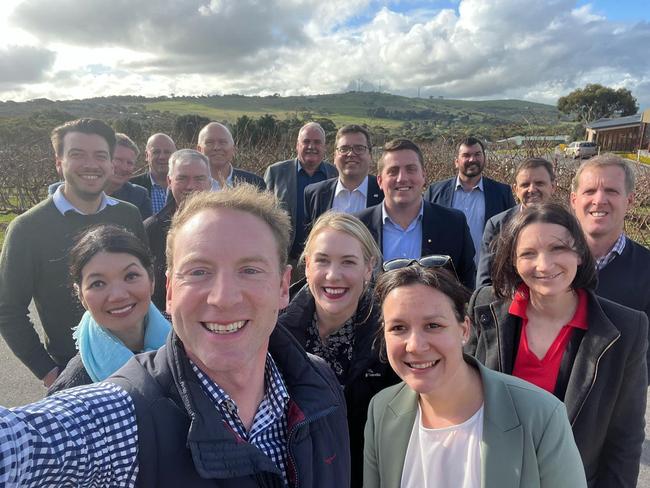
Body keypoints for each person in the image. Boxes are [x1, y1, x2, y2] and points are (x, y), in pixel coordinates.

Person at [0, 185, 350, 486]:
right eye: (199, 271)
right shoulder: (126, 416)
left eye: (249, 270)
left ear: (282, 286)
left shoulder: (317, 381)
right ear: (169, 291)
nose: (223, 298)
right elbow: (22, 444)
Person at [467, 203, 647, 487]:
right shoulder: (485, 308)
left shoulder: (625, 329)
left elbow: (625, 441)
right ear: (512, 261)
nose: (544, 264)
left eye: (558, 248)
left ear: (578, 252)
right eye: (528, 253)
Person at [364, 263, 586, 488]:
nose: (415, 346)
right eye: (399, 328)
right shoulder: (382, 410)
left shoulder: (540, 415)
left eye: (433, 325)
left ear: (464, 330)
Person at [0, 118, 147, 387]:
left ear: (110, 162)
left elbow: (144, 281)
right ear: (59, 162)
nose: (91, 164)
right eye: (77, 154)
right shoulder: (27, 228)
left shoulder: (129, 214)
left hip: (139, 366)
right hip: (74, 375)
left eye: (100, 155)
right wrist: (47, 371)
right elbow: (7, 309)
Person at [278, 212, 397, 486]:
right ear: (306, 265)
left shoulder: (391, 335)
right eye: (322, 260)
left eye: (348, 262)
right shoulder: (274, 333)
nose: (333, 275)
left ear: (368, 268)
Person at [48, 225, 170, 394]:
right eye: (98, 283)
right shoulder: (75, 385)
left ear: (151, 280)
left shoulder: (184, 336)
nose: (117, 295)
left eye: (130, 276)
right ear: (81, 295)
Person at [355, 138, 476, 289]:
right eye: (393, 171)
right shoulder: (358, 227)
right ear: (380, 180)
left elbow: (467, 287)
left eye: (411, 169)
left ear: (423, 176)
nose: (402, 178)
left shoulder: (453, 224)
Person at [569, 154, 650, 375]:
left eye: (612, 191)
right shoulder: (548, 263)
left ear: (630, 200)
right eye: (589, 191)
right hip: (545, 397)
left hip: (614, 401)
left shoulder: (647, 268)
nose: (599, 200)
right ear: (574, 200)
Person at [425, 137, 516, 262]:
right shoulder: (435, 192)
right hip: (447, 274)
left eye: (477, 154)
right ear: (456, 161)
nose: (472, 159)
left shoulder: (502, 192)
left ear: (484, 159)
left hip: (489, 273)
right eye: (466, 155)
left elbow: (512, 233)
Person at [144, 149, 212, 311]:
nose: (190, 186)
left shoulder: (228, 227)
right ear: (169, 181)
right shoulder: (151, 229)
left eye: (199, 179)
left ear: (210, 183)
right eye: (182, 178)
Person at [264, 122, 338, 268]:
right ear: (297, 145)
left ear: (324, 147)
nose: (311, 146)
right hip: (286, 259)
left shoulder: (335, 174)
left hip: (324, 261)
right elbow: (264, 214)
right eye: (306, 141)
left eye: (317, 142)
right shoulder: (276, 172)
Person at [476, 157, 556, 287]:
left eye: (539, 183)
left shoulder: (567, 225)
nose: (532, 189)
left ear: (553, 187)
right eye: (525, 185)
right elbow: (485, 281)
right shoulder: (497, 225)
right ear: (515, 189)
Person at [48, 133, 153, 219]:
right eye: (118, 160)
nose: (124, 167)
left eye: (129, 163)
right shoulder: (59, 193)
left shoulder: (138, 196)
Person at [304, 124, 383, 230]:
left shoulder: (385, 193)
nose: (351, 154)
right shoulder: (314, 194)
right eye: (344, 149)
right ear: (334, 156)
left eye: (359, 148)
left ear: (370, 156)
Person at [196, 122, 265, 191]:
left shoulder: (255, 183)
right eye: (210, 142)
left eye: (223, 142)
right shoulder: (189, 184)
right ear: (199, 149)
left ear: (233, 149)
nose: (216, 147)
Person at [131, 133, 176, 214]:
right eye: (156, 152)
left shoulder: (186, 186)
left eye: (167, 152)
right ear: (147, 155)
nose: (162, 157)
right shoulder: (131, 188)